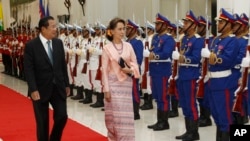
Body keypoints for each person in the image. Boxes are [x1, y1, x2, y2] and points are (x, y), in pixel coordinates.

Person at [24, 16, 70, 141]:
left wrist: (66, 84)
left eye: (56, 26)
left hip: (58, 88)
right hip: (40, 90)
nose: (56, 29)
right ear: (43, 29)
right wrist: (33, 89)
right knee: (43, 123)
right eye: (53, 27)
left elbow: (62, 65)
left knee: (62, 116)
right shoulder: (31, 46)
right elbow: (28, 70)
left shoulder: (58, 43)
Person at [201, 8, 239, 141]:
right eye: (218, 22)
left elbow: (227, 60)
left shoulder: (232, 41)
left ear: (229, 24)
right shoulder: (216, 40)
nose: (218, 24)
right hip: (212, 82)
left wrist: (211, 56)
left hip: (224, 83)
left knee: (225, 116)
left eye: (221, 22)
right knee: (216, 114)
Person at [102, 17, 140, 141]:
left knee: (126, 117)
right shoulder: (107, 48)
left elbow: (135, 63)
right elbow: (104, 70)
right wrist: (106, 89)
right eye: (119, 29)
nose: (122, 32)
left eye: (124, 29)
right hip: (113, 86)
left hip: (126, 85)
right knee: (114, 117)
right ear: (112, 31)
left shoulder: (128, 46)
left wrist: (131, 70)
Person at [174, 10, 203, 141]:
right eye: (184, 22)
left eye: (186, 22)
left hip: (191, 75)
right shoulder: (185, 38)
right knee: (185, 104)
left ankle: (194, 133)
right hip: (182, 75)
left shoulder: (198, 40)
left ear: (193, 25)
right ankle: (188, 130)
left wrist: (182, 58)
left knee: (191, 104)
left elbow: (196, 58)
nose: (184, 24)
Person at [147, 13, 175, 131]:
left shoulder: (168, 39)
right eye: (156, 24)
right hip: (154, 71)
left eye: (158, 24)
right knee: (158, 97)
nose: (156, 26)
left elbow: (166, 53)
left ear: (164, 25)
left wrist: (155, 56)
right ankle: (159, 120)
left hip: (163, 71)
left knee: (163, 97)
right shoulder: (155, 38)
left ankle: (164, 122)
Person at [232, 13, 249, 125]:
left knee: (240, 105)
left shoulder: (245, 40)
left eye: (236, 24)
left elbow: (240, 58)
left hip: (239, 74)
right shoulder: (232, 39)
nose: (233, 26)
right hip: (230, 74)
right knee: (232, 106)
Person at [126, 19, 144, 120]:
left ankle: (135, 113)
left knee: (134, 92)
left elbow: (139, 58)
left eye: (128, 28)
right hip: (125, 71)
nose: (126, 31)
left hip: (133, 71)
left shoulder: (137, 42)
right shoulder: (126, 42)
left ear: (133, 30)